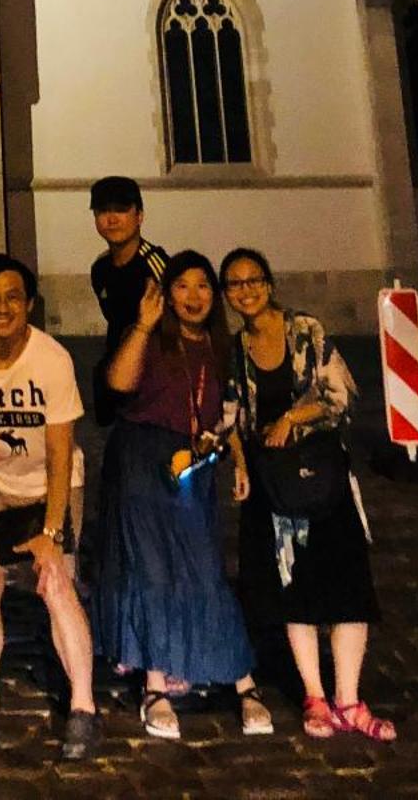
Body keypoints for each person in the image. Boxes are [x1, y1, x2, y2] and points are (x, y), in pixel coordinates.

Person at [91, 248, 272, 743]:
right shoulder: (152, 338)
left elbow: (227, 412)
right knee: (151, 569)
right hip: (141, 458)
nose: (192, 297)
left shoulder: (222, 347)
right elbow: (118, 382)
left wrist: (233, 456)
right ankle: (155, 685)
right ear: (166, 295)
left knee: (203, 567)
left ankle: (242, 680)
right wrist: (144, 326)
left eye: (202, 287)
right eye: (182, 287)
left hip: (194, 461)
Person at [221, 247, 395, 742]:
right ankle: (315, 697)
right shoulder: (235, 349)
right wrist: (236, 461)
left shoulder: (306, 331)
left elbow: (341, 393)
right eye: (234, 284)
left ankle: (350, 699)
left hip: (321, 477)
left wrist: (292, 418)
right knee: (291, 592)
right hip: (271, 486)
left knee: (345, 587)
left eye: (253, 280)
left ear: (270, 284)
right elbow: (231, 414)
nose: (246, 290)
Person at [0, 253, 100, 763]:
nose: (2, 307)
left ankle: (83, 707)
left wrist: (51, 532)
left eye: (13, 297)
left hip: (52, 484)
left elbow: (58, 451)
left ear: (29, 304)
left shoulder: (52, 359)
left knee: (56, 583)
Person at [87, 176, 168, 425]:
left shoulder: (156, 268)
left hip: (154, 377)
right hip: (115, 368)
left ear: (139, 216)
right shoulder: (100, 268)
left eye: (121, 210)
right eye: (103, 211)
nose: (112, 219)